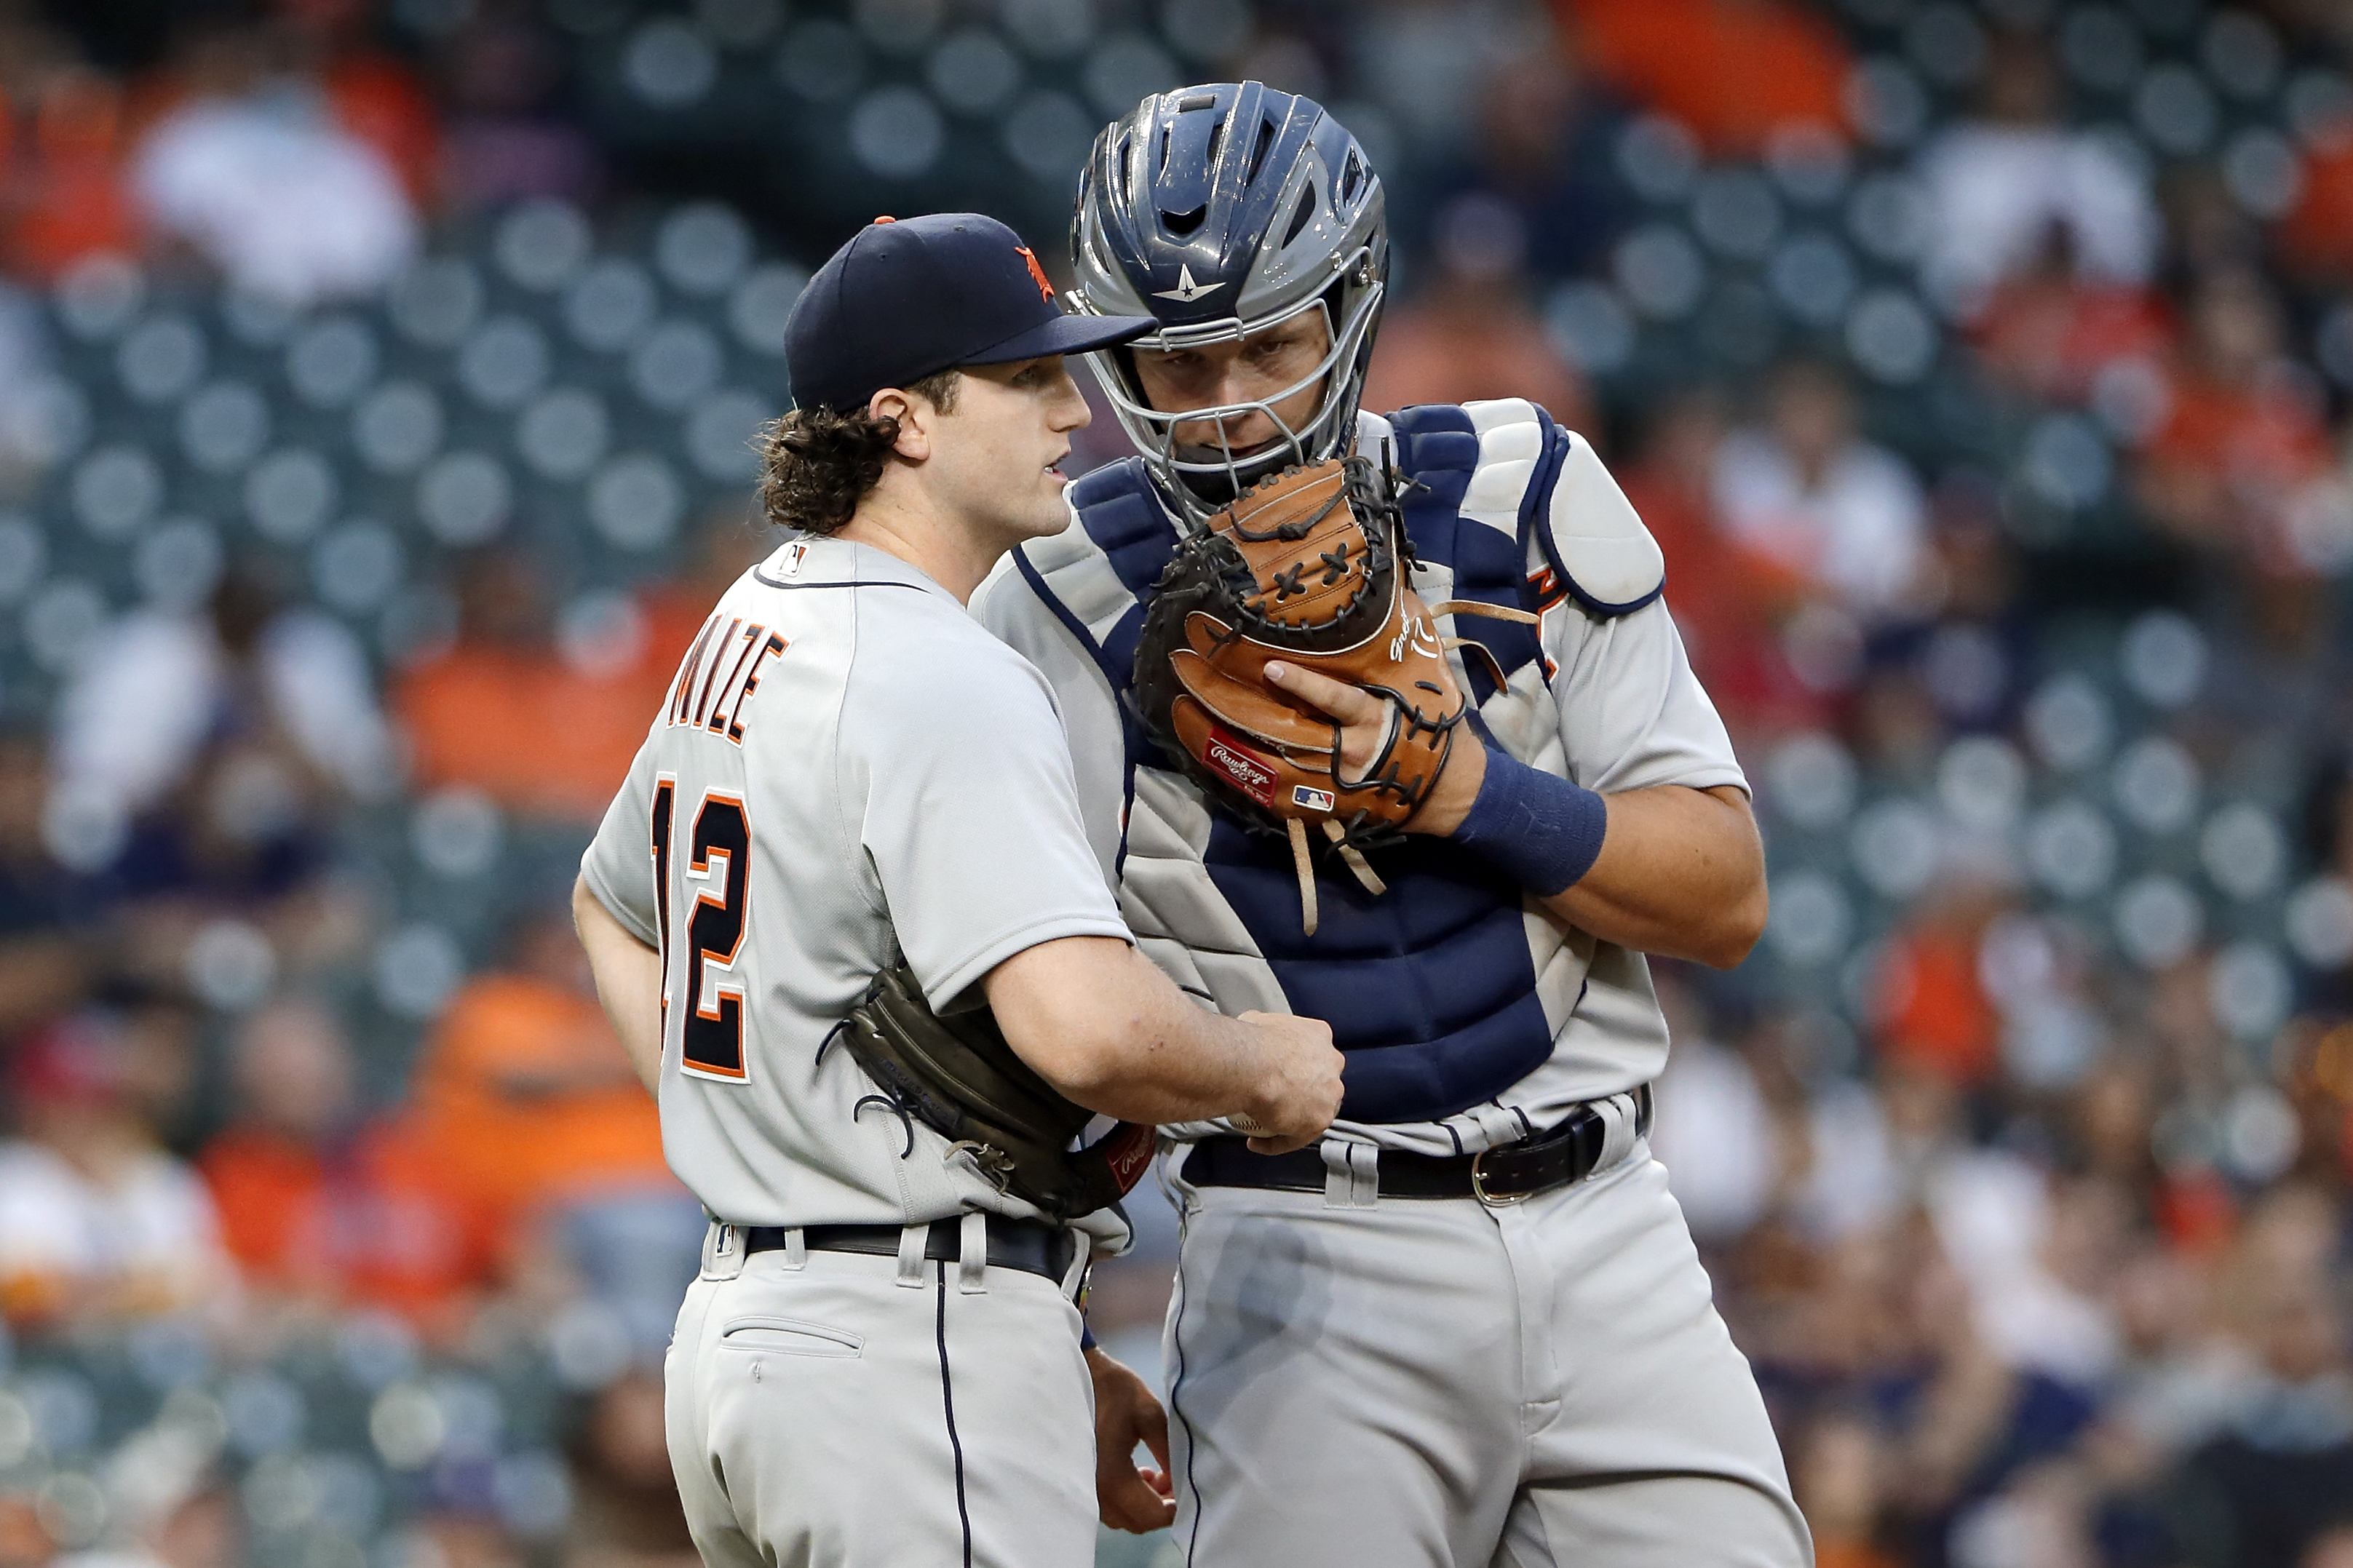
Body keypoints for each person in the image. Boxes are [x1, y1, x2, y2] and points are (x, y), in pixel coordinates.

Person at [973, 84, 1806, 1567]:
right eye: (1176, 360)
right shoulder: (1047, 603)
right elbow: (1018, 1030)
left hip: (1607, 1216)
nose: (1226, 398)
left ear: (1355, 309)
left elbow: (1726, 894)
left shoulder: (1521, 490)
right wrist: (1056, 1327)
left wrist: (1465, 792)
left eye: (1270, 343)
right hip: (1304, 1260)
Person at [570, 211, 1344, 1568]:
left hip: (755, 1337)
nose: (1071, 405)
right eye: (1028, 376)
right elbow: (1086, 1030)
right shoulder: (940, 668)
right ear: (904, 420)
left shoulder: (756, 619)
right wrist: (1258, 1070)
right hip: (898, 1342)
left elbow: (613, 907)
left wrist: (770, 1142)